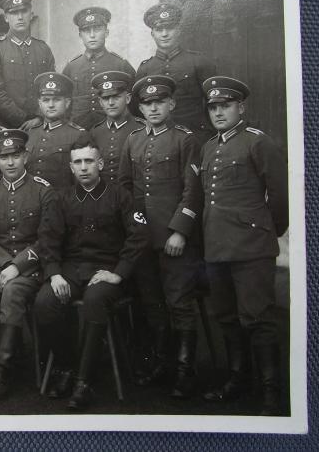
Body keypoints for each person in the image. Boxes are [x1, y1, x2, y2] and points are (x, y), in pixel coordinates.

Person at [34, 141, 149, 410]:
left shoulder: (120, 196)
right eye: (77, 162)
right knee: (44, 303)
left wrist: (119, 274)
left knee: (95, 301)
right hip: (71, 270)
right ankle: (66, 367)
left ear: (100, 164)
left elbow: (139, 236)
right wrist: (53, 274)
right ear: (71, 167)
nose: (83, 168)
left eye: (88, 161)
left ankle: (84, 383)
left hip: (106, 270)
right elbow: (48, 238)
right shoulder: (61, 198)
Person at [199, 76, 288, 416]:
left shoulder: (258, 143)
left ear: (241, 108)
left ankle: (270, 392)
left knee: (258, 317)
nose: (219, 112)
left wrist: (265, 232)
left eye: (225, 106)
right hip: (216, 246)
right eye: (213, 107)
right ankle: (238, 380)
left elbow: (280, 197)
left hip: (251, 248)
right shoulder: (209, 147)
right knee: (225, 316)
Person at [119, 75, 204, 399]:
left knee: (179, 302)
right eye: (147, 103)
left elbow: (193, 191)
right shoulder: (134, 140)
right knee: (153, 304)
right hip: (145, 238)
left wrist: (180, 231)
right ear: (139, 107)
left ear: (171, 104)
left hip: (175, 240)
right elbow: (126, 187)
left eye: (159, 102)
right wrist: (136, 224)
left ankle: (185, 370)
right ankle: (162, 364)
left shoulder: (185, 140)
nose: (153, 108)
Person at [0, 129, 57, 401]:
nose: (10, 162)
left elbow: (47, 238)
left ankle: (1, 373)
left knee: (13, 292)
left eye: (15, 155)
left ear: (25, 156)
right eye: (4, 157)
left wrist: (17, 265)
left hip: (30, 266)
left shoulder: (43, 190)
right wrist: (6, 263)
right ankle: (2, 358)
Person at [136, 3, 217, 145]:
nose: (164, 34)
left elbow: (215, 101)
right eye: (159, 29)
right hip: (159, 140)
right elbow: (138, 109)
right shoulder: (145, 69)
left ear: (178, 30)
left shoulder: (198, 62)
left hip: (195, 137)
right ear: (152, 33)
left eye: (169, 28)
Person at [0, 0, 55, 129]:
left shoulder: (43, 49)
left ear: (31, 14)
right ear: (5, 17)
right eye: (14, 13)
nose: (20, 17)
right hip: (5, 126)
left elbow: (50, 86)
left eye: (24, 11)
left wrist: (39, 117)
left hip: (40, 125)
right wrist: (23, 119)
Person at [61, 7, 136, 130]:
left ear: (106, 32)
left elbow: (133, 105)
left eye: (97, 29)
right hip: (78, 131)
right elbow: (64, 104)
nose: (92, 35)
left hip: (112, 131)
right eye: (86, 31)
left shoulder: (121, 65)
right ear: (80, 35)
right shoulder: (71, 67)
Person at [25, 72, 90, 192]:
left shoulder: (78, 135)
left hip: (62, 203)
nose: (50, 105)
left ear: (67, 103)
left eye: (56, 100)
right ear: (39, 103)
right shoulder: (30, 133)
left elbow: (82, 181)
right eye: (46, 100)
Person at [89, 71, 145, 184]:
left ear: (128, 98)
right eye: (105, 98)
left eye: (116, 97)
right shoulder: (95, 132)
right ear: (100, 102)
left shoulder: (143, 129)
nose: (110, 103)